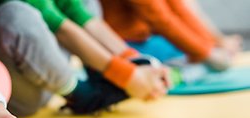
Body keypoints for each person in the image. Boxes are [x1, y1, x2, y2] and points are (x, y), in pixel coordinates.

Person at [0, 0, 170, 116]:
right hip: (1, 90)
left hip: (40, 71)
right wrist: (127, 76)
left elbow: (81, 16)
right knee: (14, 13)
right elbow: (60, 27)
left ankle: (100, 77)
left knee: (86, 2)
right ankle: (83, 95)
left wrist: (135, 62)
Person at [99, 0, 242, 71]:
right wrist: (207, 53)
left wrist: (210, 45)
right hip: (126, 45)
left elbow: (179, 9)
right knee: (185, 56)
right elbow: (160, 19)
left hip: (147, 40)